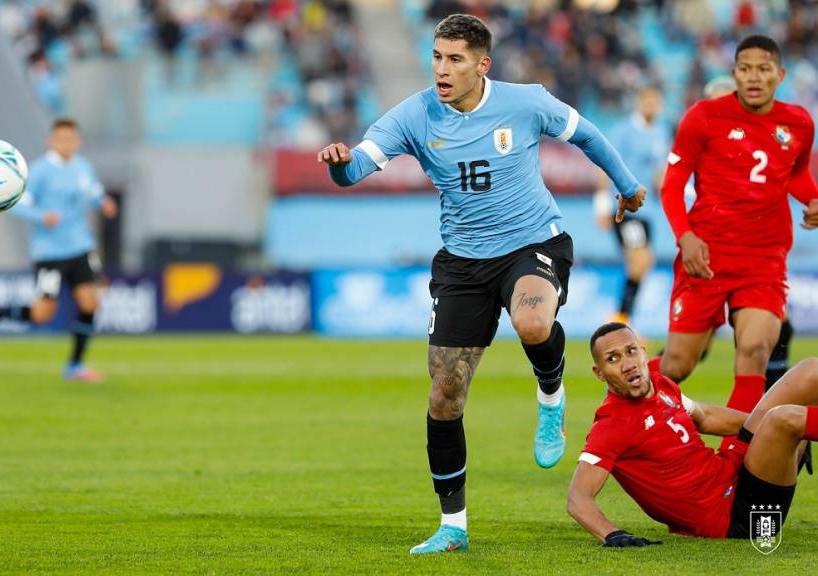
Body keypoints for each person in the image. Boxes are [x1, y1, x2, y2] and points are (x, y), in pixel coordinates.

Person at [317, 13, 646, 554]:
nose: (442, 70)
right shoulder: (414, 115)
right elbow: (355, 170)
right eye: (437, 58)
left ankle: (551, 394)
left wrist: (628, 186)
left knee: (533, 321)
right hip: (462, 264)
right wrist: (338, 164)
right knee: (445, 395)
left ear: (482, 64)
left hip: (532, 243)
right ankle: (453, 527)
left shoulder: (525, 102)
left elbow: (586, 134)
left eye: (455, 60)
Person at [658, 36, 818, 419]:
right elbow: (673, 185)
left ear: (779, 75)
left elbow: (795, 175)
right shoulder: (704, 116)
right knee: (678, 364)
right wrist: (686, 236)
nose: (754, 77)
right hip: (706, 255)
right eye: (745, 69)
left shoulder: (798, 122)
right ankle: (622, 415)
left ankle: (737, 461)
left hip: (764, 257)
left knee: (755, 351)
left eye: (764, 69)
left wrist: (813, 199)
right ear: (734, 74)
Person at [569, 321, 818, 544]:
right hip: (739, 517)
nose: (628, 364)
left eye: (631, 351)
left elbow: (706, 417)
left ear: (643, 352)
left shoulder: (661, 385)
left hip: (736, 472)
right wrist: (612, 534)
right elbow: (578, 498)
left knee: (810, 370)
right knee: (784, 419)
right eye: (613, 359)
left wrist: (768, 439)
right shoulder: (611, 425)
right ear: (599, 373)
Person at [0, 118, 117, 382]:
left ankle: (74, 366)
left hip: (81, 247)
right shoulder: (38, 171)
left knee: (91, 302)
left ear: (78, 142)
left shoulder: (83, 168)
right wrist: (42, 216)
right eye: (61, 139)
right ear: (51, 141)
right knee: (42, 313)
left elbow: (94, 192)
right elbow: (15, 204)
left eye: (71, 139)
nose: (67, 144)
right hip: (49, 252)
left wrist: (104, 202)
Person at [593, 86, 670, 325]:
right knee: (639, 261)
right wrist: (601, 203)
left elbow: (660, 173)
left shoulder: (661, 132)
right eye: (647, 100)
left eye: (656, 102)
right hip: (624, 207)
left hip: (647, 210)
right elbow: (605, 164)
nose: (652, 106)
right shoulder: (623, 131)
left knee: (643, 263)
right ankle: (620, 320)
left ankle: (623, 319)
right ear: (639, 102)